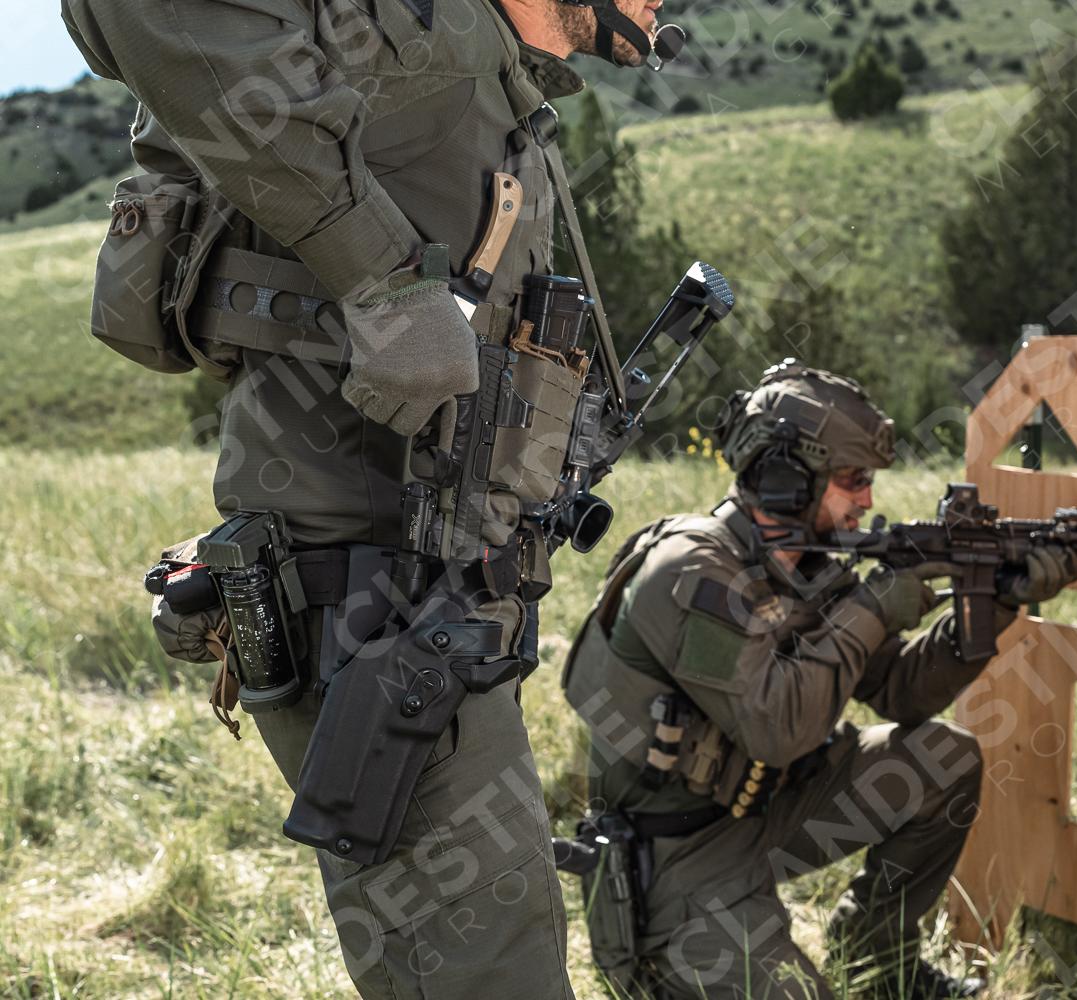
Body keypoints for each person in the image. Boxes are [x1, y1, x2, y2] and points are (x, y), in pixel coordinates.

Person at [62, 0, 669, 995]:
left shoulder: (488, 80)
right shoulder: (410, 36)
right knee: (491, 971)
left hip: (442, 601)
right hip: (378, 611)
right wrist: (384, 278)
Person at [563, 362, 1077, 999]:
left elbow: (902, 691)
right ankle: (665, 965)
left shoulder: (808, 566)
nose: (867, 500)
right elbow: (776, 727)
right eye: (852, 479)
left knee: (942, 757)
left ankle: (876, 957)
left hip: (771, 810)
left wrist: (995, 603)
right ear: (787, 478)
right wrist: (873, 609)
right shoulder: (691, 570)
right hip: (680, 861)